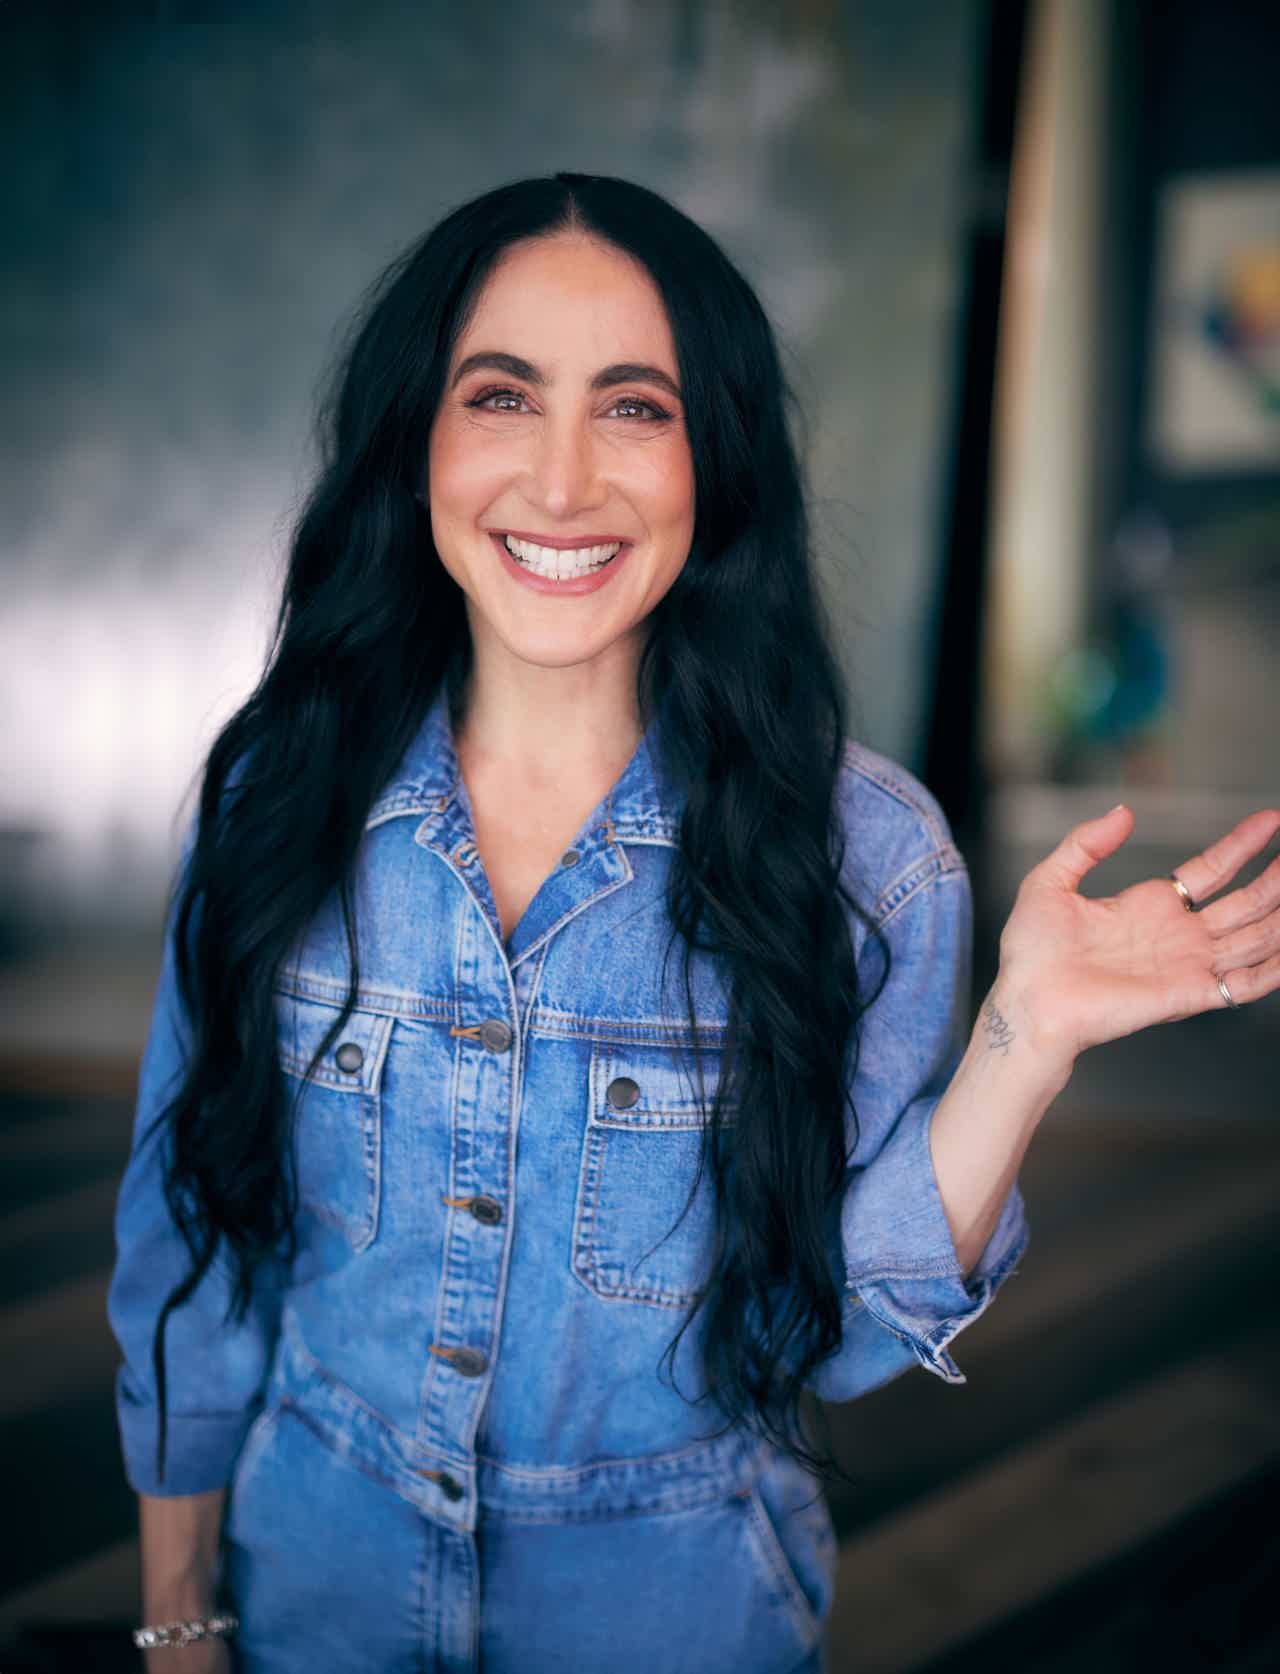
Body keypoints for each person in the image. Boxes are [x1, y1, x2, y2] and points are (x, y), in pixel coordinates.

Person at [107, 172, 1280, 1674]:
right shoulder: (281, 798)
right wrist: (181, 1619)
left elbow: (827, 1342)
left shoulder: (863, 860)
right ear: (418, 447)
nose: (562, 478)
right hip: (309, 1590)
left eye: (636, 407)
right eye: (503, 394)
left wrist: (1024, 1036)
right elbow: (193, 1245)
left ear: (713, 466)